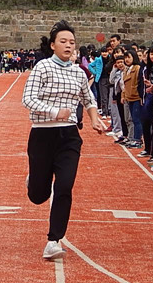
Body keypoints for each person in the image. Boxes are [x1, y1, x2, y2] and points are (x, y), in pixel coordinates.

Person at [22, 20, 104, 260]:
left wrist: (94, 119)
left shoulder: (79, 72)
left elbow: (88, 99)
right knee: (38, 196)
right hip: (42, 134)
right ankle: (34, 179)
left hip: (68, 136)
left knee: (64, 186)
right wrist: (54, 112)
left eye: (72, 42)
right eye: (64, 41)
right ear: (53, 45)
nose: (69, 46)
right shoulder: (42, 68)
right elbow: (28, 99)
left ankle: (53, 240)